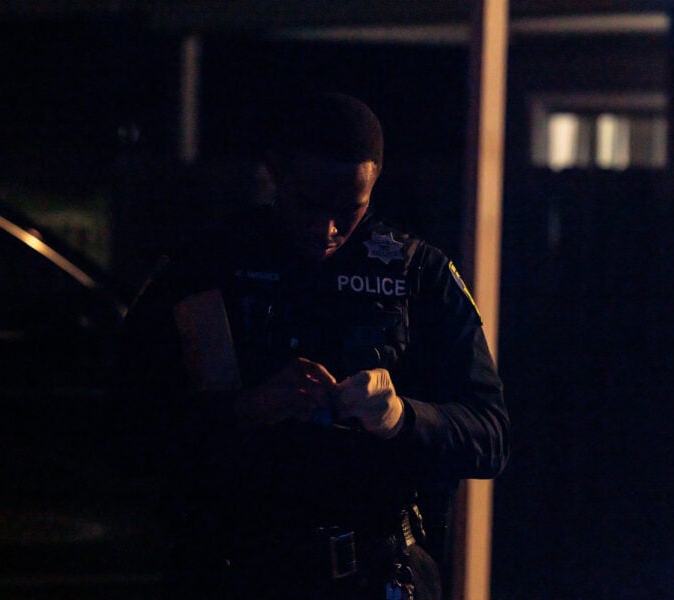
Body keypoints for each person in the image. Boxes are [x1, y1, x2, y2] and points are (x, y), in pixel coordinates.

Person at [116, 92, 509, 599]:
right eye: (309, 203)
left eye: (350, 209)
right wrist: (245, 410)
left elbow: (492, 435)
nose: (327, 229)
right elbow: (128, 426)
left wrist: (400, 416)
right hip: (234, 570)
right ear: (276, 170)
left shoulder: (417, 275)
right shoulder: (207, 267)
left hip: (378, 574)